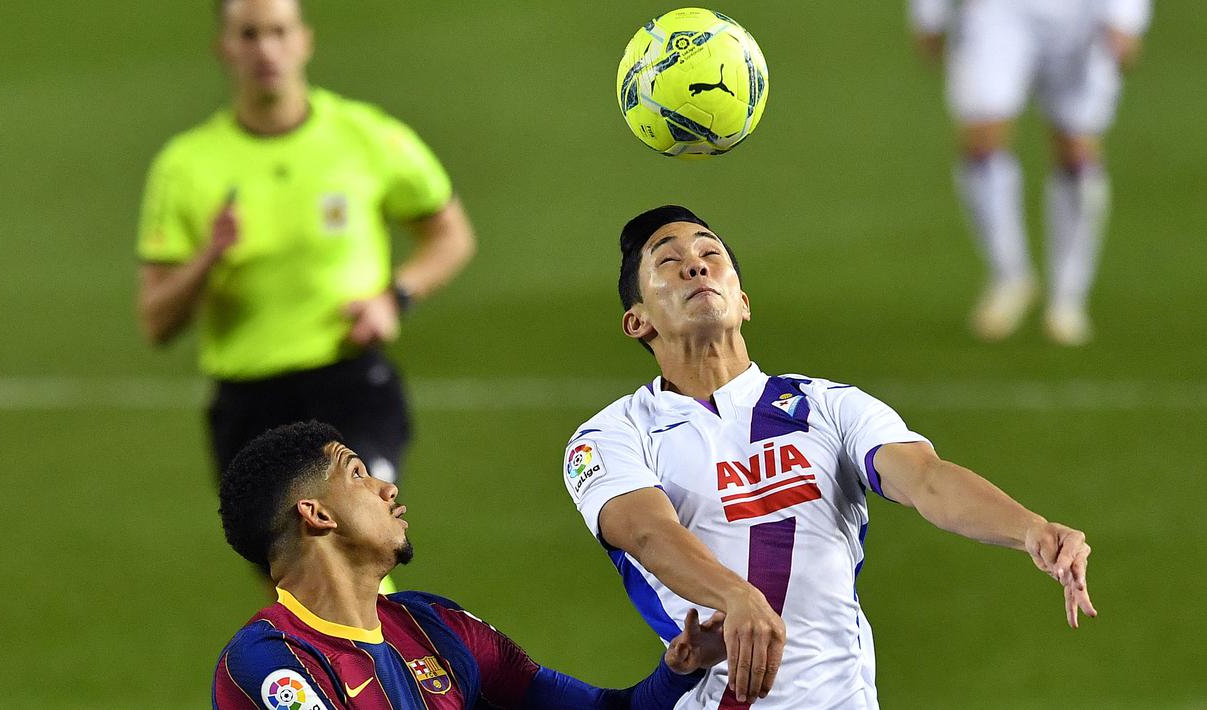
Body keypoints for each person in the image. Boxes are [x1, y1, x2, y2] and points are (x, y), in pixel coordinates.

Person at [561, 206, 1097, 708]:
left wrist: (1029, 528)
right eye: (669, 262)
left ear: (743, 300)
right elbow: (649, 534)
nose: (695, 266)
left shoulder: (828, 406)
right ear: (637, 322)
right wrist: (736, 597)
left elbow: (927, 480)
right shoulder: (611, 436)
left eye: (710, 254)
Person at [136, 0, 476, 485]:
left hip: (349, 381)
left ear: (304, 40)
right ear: (223, 48)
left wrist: (394, 298)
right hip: (247, 400)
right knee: (289, 560)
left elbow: (450, 234)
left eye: (278, 31)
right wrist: (208, 257)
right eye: (249, 35)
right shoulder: (185, 165)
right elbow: (157, 322)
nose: (266, 49)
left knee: (349, 526)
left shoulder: (366, 135)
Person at [213, 421, 727, 709]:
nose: (387, 488)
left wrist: (680, 668)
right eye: (357, 474)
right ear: (318, 515)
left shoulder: (435, 627)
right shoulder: (270, 662)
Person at [908, 0, 1151, 345]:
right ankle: (1009, 275)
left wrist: (1126, 17)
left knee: (1076, 146)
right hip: (997, 11)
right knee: (981, 137)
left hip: (1081, 15)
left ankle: (1068, 297)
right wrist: (929, 13)